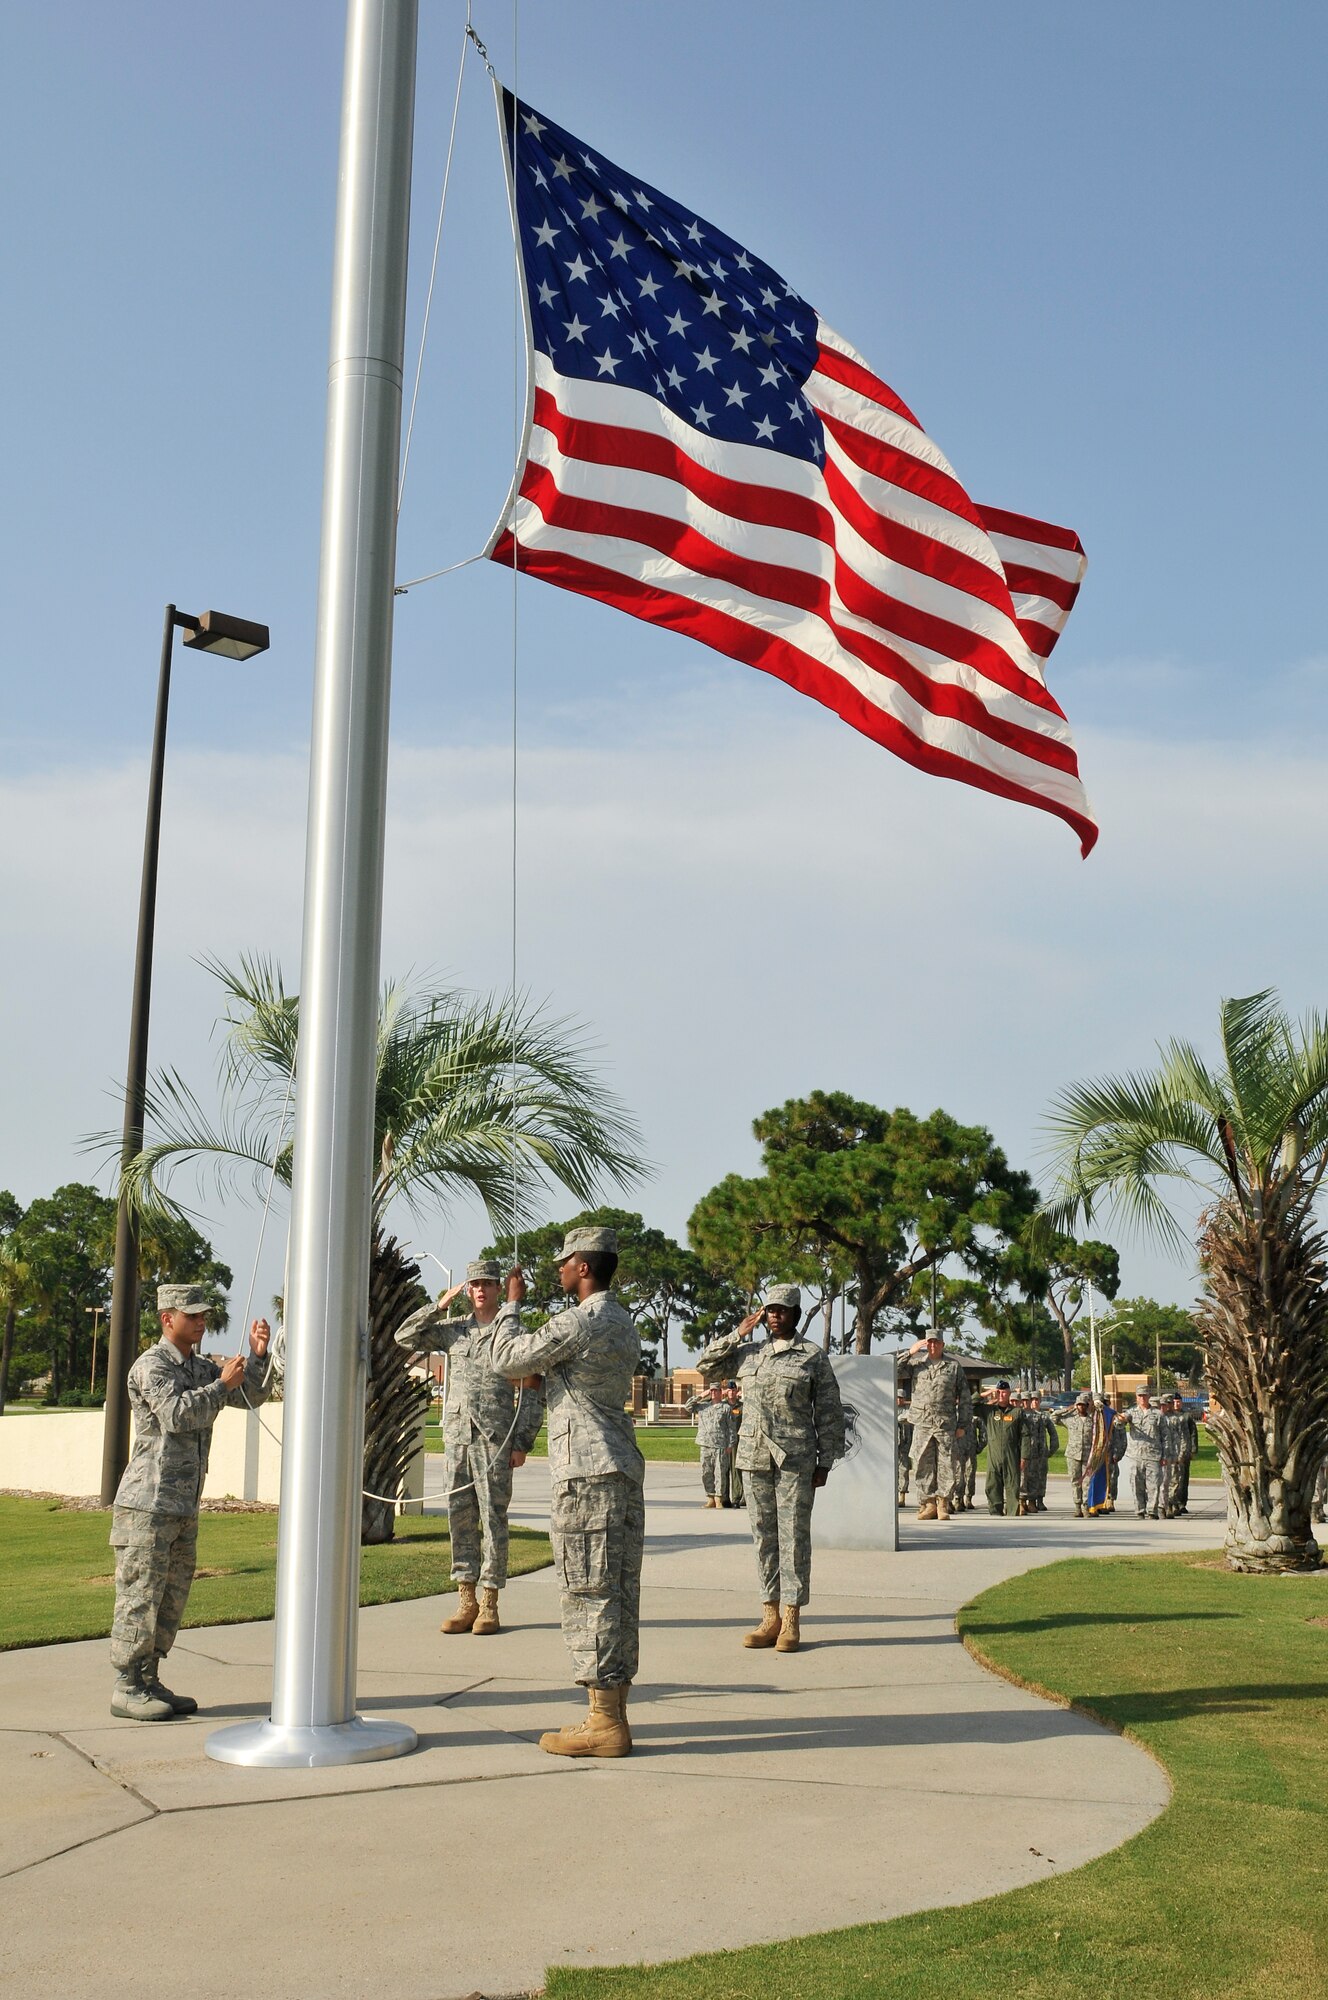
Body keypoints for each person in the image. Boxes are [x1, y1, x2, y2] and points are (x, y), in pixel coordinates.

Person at [491, 1226, 643, 1757]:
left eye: (564, 1261)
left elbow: (507, 1358)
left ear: (583, 1266)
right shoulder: (622, 1320)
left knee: (588, 1590)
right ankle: (613, 1713)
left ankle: (602, 1723)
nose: (557, 1269)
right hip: (618, 1464)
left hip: (586, 1471)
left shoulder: (583, 1318)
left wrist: (511, 1306)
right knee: (618, 1595)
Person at [109, 1284, 273, 1721]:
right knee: (140, 1596)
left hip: (182, 1505)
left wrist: (257, 1356)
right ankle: (127, 1685)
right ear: (168, 1318)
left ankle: (150, 1677)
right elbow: (177, 1416)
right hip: (148, 1504)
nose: (202, 1323)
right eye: (193, 1316)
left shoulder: (199, 1367)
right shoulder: (152, 1366)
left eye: (204, 1316)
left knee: (171, 1597)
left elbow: (249, 1395)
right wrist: (221, 1385)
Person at [395, 1258, 543, 1635]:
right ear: (467, 1290)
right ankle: (466, 1599)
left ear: (498, 1289)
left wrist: (522, 1441)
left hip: (495, 1440)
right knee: (459, 1520)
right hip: (458, 1439)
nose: (480, 1290)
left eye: (487, 1284)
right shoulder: (453, 1331)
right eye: (474, 1284)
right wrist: (438, 1306)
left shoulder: (511, 1332)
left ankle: (490, 1602)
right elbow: (404, 1337)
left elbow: (532, 1391)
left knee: (493, 1521)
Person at [700, 1283, 846, 1653]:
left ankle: (792, 1618)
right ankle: (769, 1616)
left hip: (795, 1460)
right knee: (764, 1537)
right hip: (754, 1458)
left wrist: (825, 1460)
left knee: (794, 1538)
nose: (774, 1315)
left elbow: (829, 1411)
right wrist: (737, 1333)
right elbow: (705, 1366)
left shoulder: (812, 1356)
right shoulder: (749, 1353)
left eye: (782, 1310)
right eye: (769, 1310)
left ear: (795, 1315)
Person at [905, 1331, 972, 1522]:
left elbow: (965, 1397)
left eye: (936, 1343)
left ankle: (943, 1503)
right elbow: (894, 1370)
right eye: (930, 1343)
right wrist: (911, 1352)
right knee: (921, 1465)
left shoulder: (953, 1366)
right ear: (926, 1344)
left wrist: (963, 1424)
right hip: (922, 1423)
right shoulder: (916, 1364)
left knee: (947, 1465)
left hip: (945, 1424)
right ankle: (928, 1504)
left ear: (942, 1344)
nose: (933, 1346)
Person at [685, 1383, 737, 1507]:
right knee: (706, 1472)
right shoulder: (703, 1406)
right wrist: (702, 1395)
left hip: (720, 1445)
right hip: (705, 1444)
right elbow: (688, 1407)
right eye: (711, 1391)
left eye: (716, 1391)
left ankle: (719, 1498)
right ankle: (710, 1497)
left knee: (720, 1473)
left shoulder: (726, 1408)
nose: (713, 1393)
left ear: (721, 1392)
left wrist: (730, 1444)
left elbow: (731, 1428)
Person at [1122, 1384, 1166, 1517]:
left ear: (1149, 1396)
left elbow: (1166, 1436)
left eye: (1144, 1395)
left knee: (1153, 1485)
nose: (1142, 1398)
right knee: (1136, 1484)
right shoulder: (1131, 1412)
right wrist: (1121, 1419)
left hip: (1153, 1455)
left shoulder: (1158, 1414)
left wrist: (1166, 1455)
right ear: (1136, 1397)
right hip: (1136, 1455)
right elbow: (1119, 1423)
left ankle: (1152, 1511)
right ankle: (1140, 1510)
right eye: (1140, 1396)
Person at [984, 1381, 1024, 1516]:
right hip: (994, 1455)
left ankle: (1012, 1512)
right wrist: (988, 1393)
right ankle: (995, 1511)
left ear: (1009, 1393)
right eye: (999, 1392)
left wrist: (1024, 1456)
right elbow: (971, 1404)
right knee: (993, 1484)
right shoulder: (989, 1411)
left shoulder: (1017, 1412)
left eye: (1004, 1392)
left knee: (1012, 1484)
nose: (1002, 1394)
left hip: (1011, 1454)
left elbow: (1026, 1435)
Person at [1019, 1393, 1059, 1514]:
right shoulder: (1019, 1415)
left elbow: (1053, 1433)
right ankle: (1022, 1502)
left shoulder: (1042, 1416)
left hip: (1039, 1452)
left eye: (1036, 1399)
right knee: (1023, 1477)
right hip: (1023, 1452)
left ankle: (1037, 1500)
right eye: (1027, 1400)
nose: (1033, 1402)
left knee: (1038, 1477)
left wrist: (1052, 1449)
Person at [1062, 1392, 1096, 1517]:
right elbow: (1054, 1417)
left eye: (1083, 1405)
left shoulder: (1092, 1420)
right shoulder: (1070, 1420)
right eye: (1079, 1405)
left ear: (1087, 1406)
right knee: (1075, 1481)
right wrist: (1068, 1409)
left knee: (1087, 1482)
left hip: (1088, 1455)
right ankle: (1077, 1506)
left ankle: (1085, 1507)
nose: (1081, 1407)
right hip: (1073, 1455)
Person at [723, 1381, 745, 1507]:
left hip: (737, 1442)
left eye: (733, 1390)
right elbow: (708, 1402)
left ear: (737, 1391)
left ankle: (736, 1498)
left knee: (736, 1471)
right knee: (723, 1470)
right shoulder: (721, 1405)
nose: (731, 1392)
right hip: (724, 1442)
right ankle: (724, 1498)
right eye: (729, 1390)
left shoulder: (741, 1407)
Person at [896, 1394, 913, 1509]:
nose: (899, 1400)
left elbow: (906, 1419)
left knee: (903, 1471)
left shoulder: (908, 1411)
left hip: (904, 1445)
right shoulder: (890, 1409)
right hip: (892, 1445)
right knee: (892, 1472)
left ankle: (902, 1496)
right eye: (897, 1397)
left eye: (901, 1398)